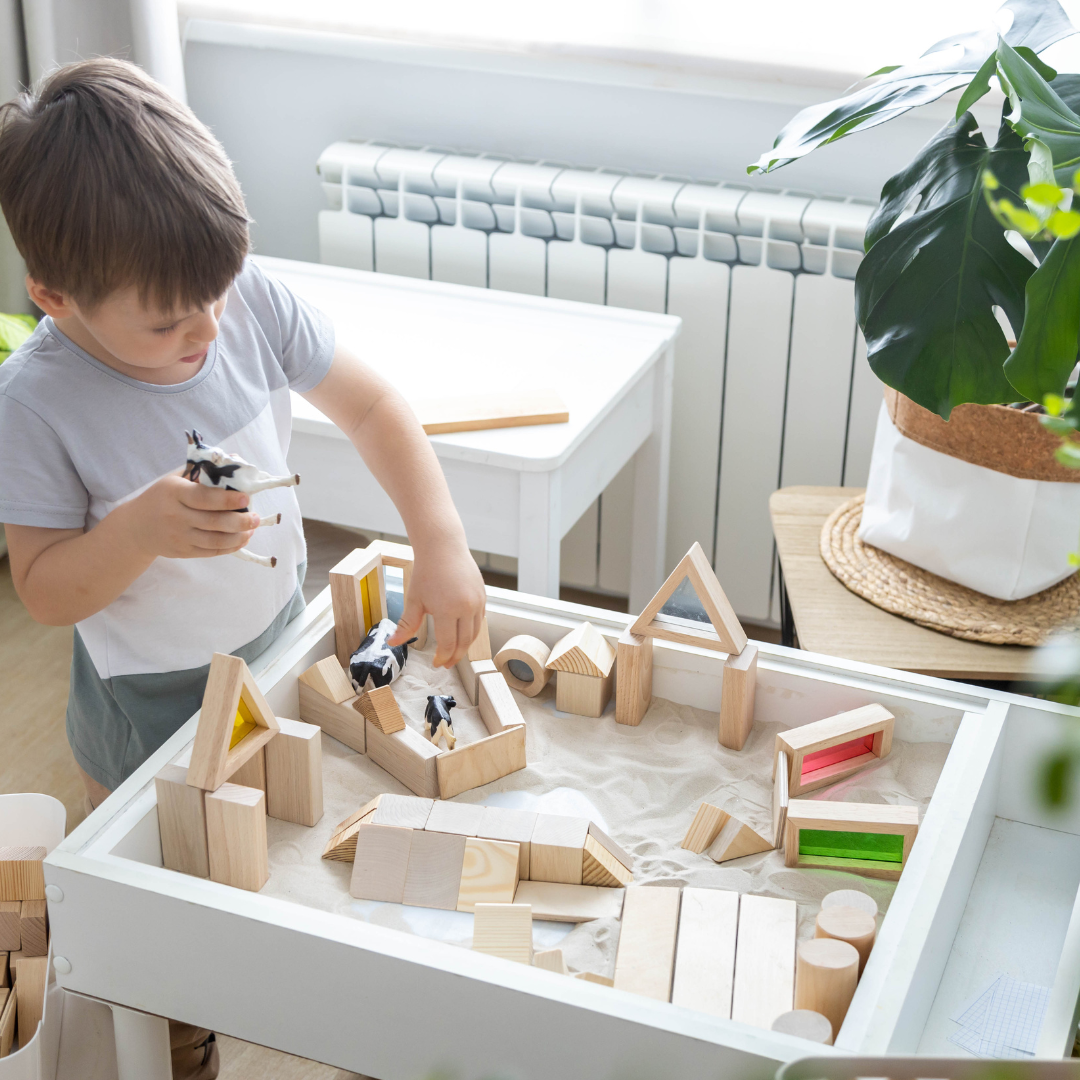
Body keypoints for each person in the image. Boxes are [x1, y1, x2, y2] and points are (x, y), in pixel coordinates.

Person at [0, 58, 486, 1078]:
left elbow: (374, 407)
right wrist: (137, 531)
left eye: (214, 295)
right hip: (147, 697)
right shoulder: (35, 402)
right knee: (162, 906)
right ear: (55, 298)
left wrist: (440, 540)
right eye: (167, 322)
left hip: (274, 636)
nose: (207, 330)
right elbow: (45, 592)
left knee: (262, 852)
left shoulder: (246, 298)